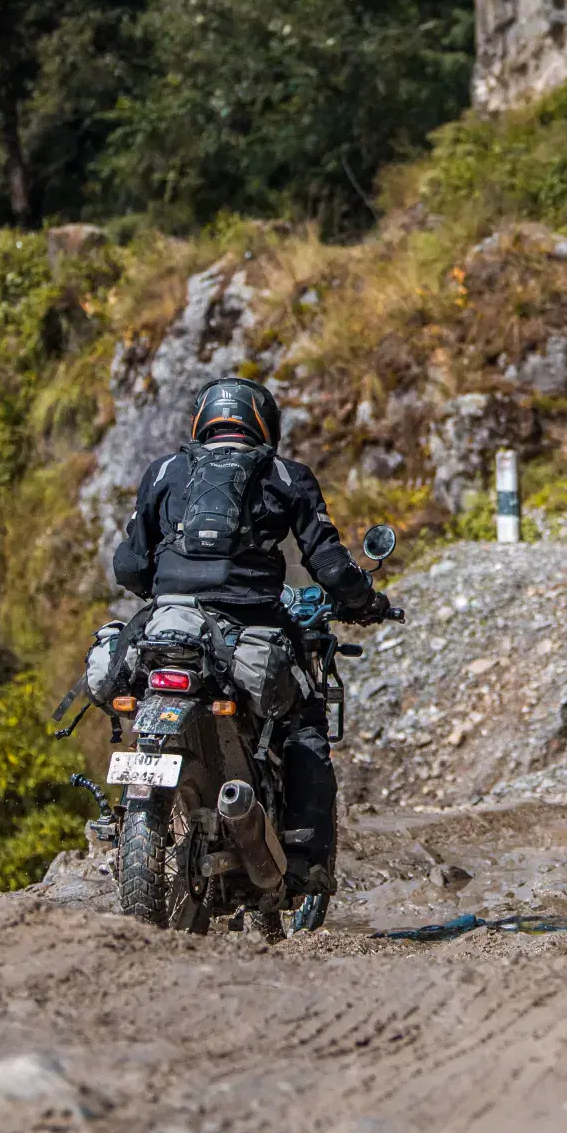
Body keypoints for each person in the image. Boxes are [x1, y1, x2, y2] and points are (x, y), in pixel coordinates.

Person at [110, 375, 387, 896]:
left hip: (167, 628)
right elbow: (327, 562)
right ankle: (306, 859)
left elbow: (128, 566)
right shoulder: (286, 475)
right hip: (250, 627)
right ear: (265, 424)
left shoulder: (164, 471)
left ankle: (127, 828)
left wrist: (167, 588)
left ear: (201, 420)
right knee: (306, 721)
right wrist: (364, 601)